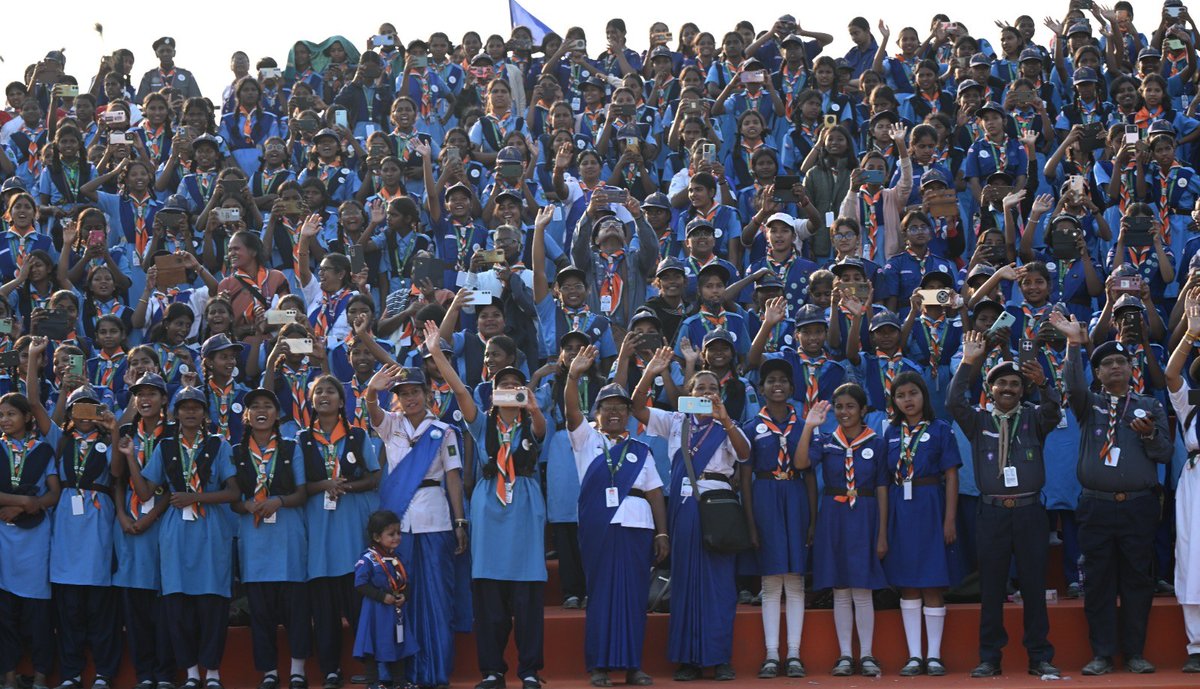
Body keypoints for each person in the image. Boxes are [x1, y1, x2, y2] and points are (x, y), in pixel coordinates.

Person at [1052, 310, 1172, 675]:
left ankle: (1134, 652)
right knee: (1099, 582)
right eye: (1107, 363)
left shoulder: (1150, 406)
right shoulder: (1089, 404)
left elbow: (1165, 453)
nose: (1116, 367)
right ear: (1099, 373)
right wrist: (1074, 345)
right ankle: (1102, 654)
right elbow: (1072, 386)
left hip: (1138, 506)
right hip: (1097, 507)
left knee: (1137, 581)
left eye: (1122, 361)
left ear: (1131, 367)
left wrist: (1149, 435)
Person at [947, 330, 1062, 678]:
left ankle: (1040, 656)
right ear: (991, 389)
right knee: (992, 587)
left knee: (1032, 587)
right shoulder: (979, 420)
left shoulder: (1034, 418)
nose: (1008, 388)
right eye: (1001, 384)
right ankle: (990, 657)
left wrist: (1044, 384)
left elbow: (1055, 409)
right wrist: (968, 362)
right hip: (992, 512)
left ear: (1021, 388)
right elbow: (954, 402)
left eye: (1014, 383)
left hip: (1028, 512)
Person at [632, 348, 750, 682]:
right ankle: (688, 659)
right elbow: (637, 408)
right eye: (700, 388)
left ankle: (719, 657)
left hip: (719, 507)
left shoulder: (729, 426)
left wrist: (724, 419)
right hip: (684, 507)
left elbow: (744, 455)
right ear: (689, 393)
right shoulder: (675, 421)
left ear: (720, 394)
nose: (707, 392)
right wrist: (651, 372)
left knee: (719, 584)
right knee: (685, 582)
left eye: (713, 387)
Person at [370, 331, 470, 689]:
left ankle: (434, 671)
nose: (409, 398)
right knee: (399, 599)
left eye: (415, 392)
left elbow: (454, 478)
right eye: (403, 393)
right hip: (398, 525)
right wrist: (372, 389)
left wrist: (460, 520)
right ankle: (400, 673)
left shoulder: (444, 431)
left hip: (435, 519)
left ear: (429, 394)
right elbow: (371, 411)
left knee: (437, 599)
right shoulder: (391, 426)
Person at [563, 345, 667, 687]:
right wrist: (574, 375)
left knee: (634, 597)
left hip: (638, 527)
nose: (615, 415)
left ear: (628, 413)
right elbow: (570, 409)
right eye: (608, 409)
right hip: (599, 527)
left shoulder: (641, 450)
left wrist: (663, 534)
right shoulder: (585, 439)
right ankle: (599, 666)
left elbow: (654, 492)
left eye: (621, 409)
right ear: (597, 414)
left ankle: (632, 665)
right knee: (603, 596)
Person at [123, 385, 239, 689]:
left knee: (212, 602)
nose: (190, 412)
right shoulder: (166, 446)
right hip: (175, 530)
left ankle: (211, 671)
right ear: (175, 412)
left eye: (196, 407)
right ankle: (189, 672)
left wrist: (196, 497)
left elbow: (234, 491)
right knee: (177, 604)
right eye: (184, 407)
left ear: (204, 413)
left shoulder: (218, 444)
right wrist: (130, 458)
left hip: (210, 527)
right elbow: (145, 491)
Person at [794, 383, 888, 677]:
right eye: (839, 407)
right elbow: (800, 463)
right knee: (840, 588)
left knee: (862, 588)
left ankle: (868, 654)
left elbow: (883, 488)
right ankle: (846, 654)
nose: (844, 412)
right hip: (833, 516)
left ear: (863, 410)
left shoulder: (877, 443)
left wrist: (882, 532)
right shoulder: (825, 441)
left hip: (865, 514)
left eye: (850, 406)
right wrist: (809, 427)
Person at [300, 375, 382, 689]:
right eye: (318, 391)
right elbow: (297, 487)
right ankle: (331, 670)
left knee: (360, 607)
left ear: (342, 400)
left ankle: (372, 669)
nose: (324, 395)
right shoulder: (300, 440)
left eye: (331, 390)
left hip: (351, 532)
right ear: (311, 400)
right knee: (324, 613)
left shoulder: (358, 436)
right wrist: (324, 485)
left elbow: (374, 477)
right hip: (319, 536)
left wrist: (344, 486)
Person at [740, 358, 815, 679]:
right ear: (761, 389)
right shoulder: (750, 427)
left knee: (795, 581)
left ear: (793, 388)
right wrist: (750, 521)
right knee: (770, 583)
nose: (777, 385)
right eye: (770, 380)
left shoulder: (803, 425)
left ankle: (794, 654)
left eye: (783, 380)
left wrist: (813, 518)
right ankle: (772, 654)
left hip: (796, 497)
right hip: (766, 498)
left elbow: (810, 474)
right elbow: (744, 477)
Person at [882, 372, 961, 676]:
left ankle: (935, 655)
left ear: (924, 396)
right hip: (901, 507)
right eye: (900, 396)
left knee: (932, 581)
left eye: (913, 393)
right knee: (908, 582)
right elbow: (883, 480)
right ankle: (915, 656)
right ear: (894, 401)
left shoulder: (940, 429)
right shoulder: (889, 433)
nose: (907, 400)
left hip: (931, 505)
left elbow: (951, 475)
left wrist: (950, 519)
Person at [1166, 287, 1200, 673]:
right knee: (1193, 559)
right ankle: (1196, 646)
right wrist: (1190, 334)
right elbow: (1171, 373)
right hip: (1195, 485)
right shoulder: (1189, 403)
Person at [352, 510, 417, 687]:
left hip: (395, 611)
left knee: (397, 643)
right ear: (377, 537)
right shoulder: (368, 558)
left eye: (398, 533)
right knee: (372, 647)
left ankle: (399, 682)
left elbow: (406, 582)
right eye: (391, 534)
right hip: (376, 611)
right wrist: (382, 596)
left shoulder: (398, 558)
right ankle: (373, 683)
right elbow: (360, 584)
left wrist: (405, 596)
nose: (396, 537)